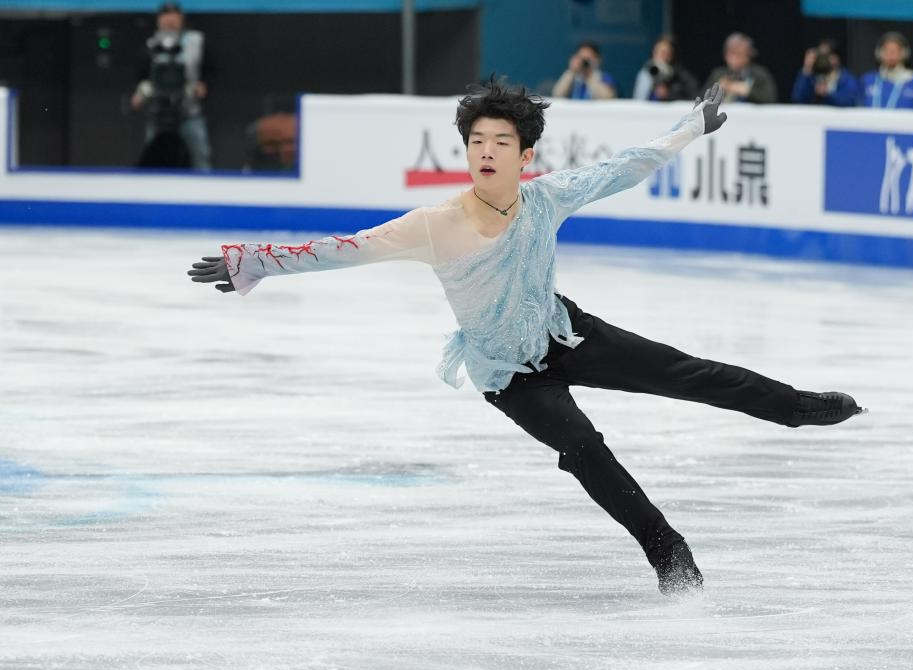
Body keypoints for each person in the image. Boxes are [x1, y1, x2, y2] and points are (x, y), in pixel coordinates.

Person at [188, 78, 865, 596]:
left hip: (565, 332)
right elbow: (342, 248)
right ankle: (668, 552)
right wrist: (251, 262)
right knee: (583, 448)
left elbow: (626, 165)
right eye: (476, 142)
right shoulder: (433, 225)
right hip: (506, 373)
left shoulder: (546, 197)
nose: (486, 152)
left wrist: (691, 126)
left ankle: (797, 407)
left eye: (500, 142)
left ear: (524, 153)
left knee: (686, 371)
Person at [131, 2, 212, 169]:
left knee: (201, 156)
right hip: (158, 112)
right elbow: (141, 76)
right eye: (165, 15)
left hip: (189, 110)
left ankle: (203, 184)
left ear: (181, 18)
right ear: (158, 19)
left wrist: (203, 85)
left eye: (174, 15)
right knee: (154, 157)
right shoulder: (150, 45)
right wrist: (140, 94)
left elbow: (211, 70)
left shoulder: (196, 42)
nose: (170, 20)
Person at [861, 32, 913, 109]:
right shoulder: (868, 80)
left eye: (895, 51)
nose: (890, 55)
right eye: (887, 51)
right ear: (879, 53)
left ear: (904, 54)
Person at [705, 32, 777, 104]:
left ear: (749, 55)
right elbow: (701, 99)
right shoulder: (718, 74)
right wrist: (716, 91)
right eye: (731, 54)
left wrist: (748, 91)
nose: (734, 59)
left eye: (739, 54)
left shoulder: (760, 74)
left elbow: (771, 99)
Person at [791, 39, 860, 107]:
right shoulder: (810, 75)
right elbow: (797, 99)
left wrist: (827, 94)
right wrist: (807, 69)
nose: (823, 58)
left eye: (827, 55)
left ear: (836, 57)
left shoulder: (846, 78)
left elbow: (850, 101)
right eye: (820, 55)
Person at [633, 34, 699, 102]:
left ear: (671, 56)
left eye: (664, 53)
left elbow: (693, 100)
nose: (659, 57)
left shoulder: (682, 77)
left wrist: (669, 95)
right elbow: (638, 102)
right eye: (656, 52)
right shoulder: (646, 74)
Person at [551, 41, 617, 100]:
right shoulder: (573, 77)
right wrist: (571, 71)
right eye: (582, 58)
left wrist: (590, 75)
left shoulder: (604, 77)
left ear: (597, 59)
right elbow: (557, 94)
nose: (584, 63)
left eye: (588, 59)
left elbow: (607, 98)